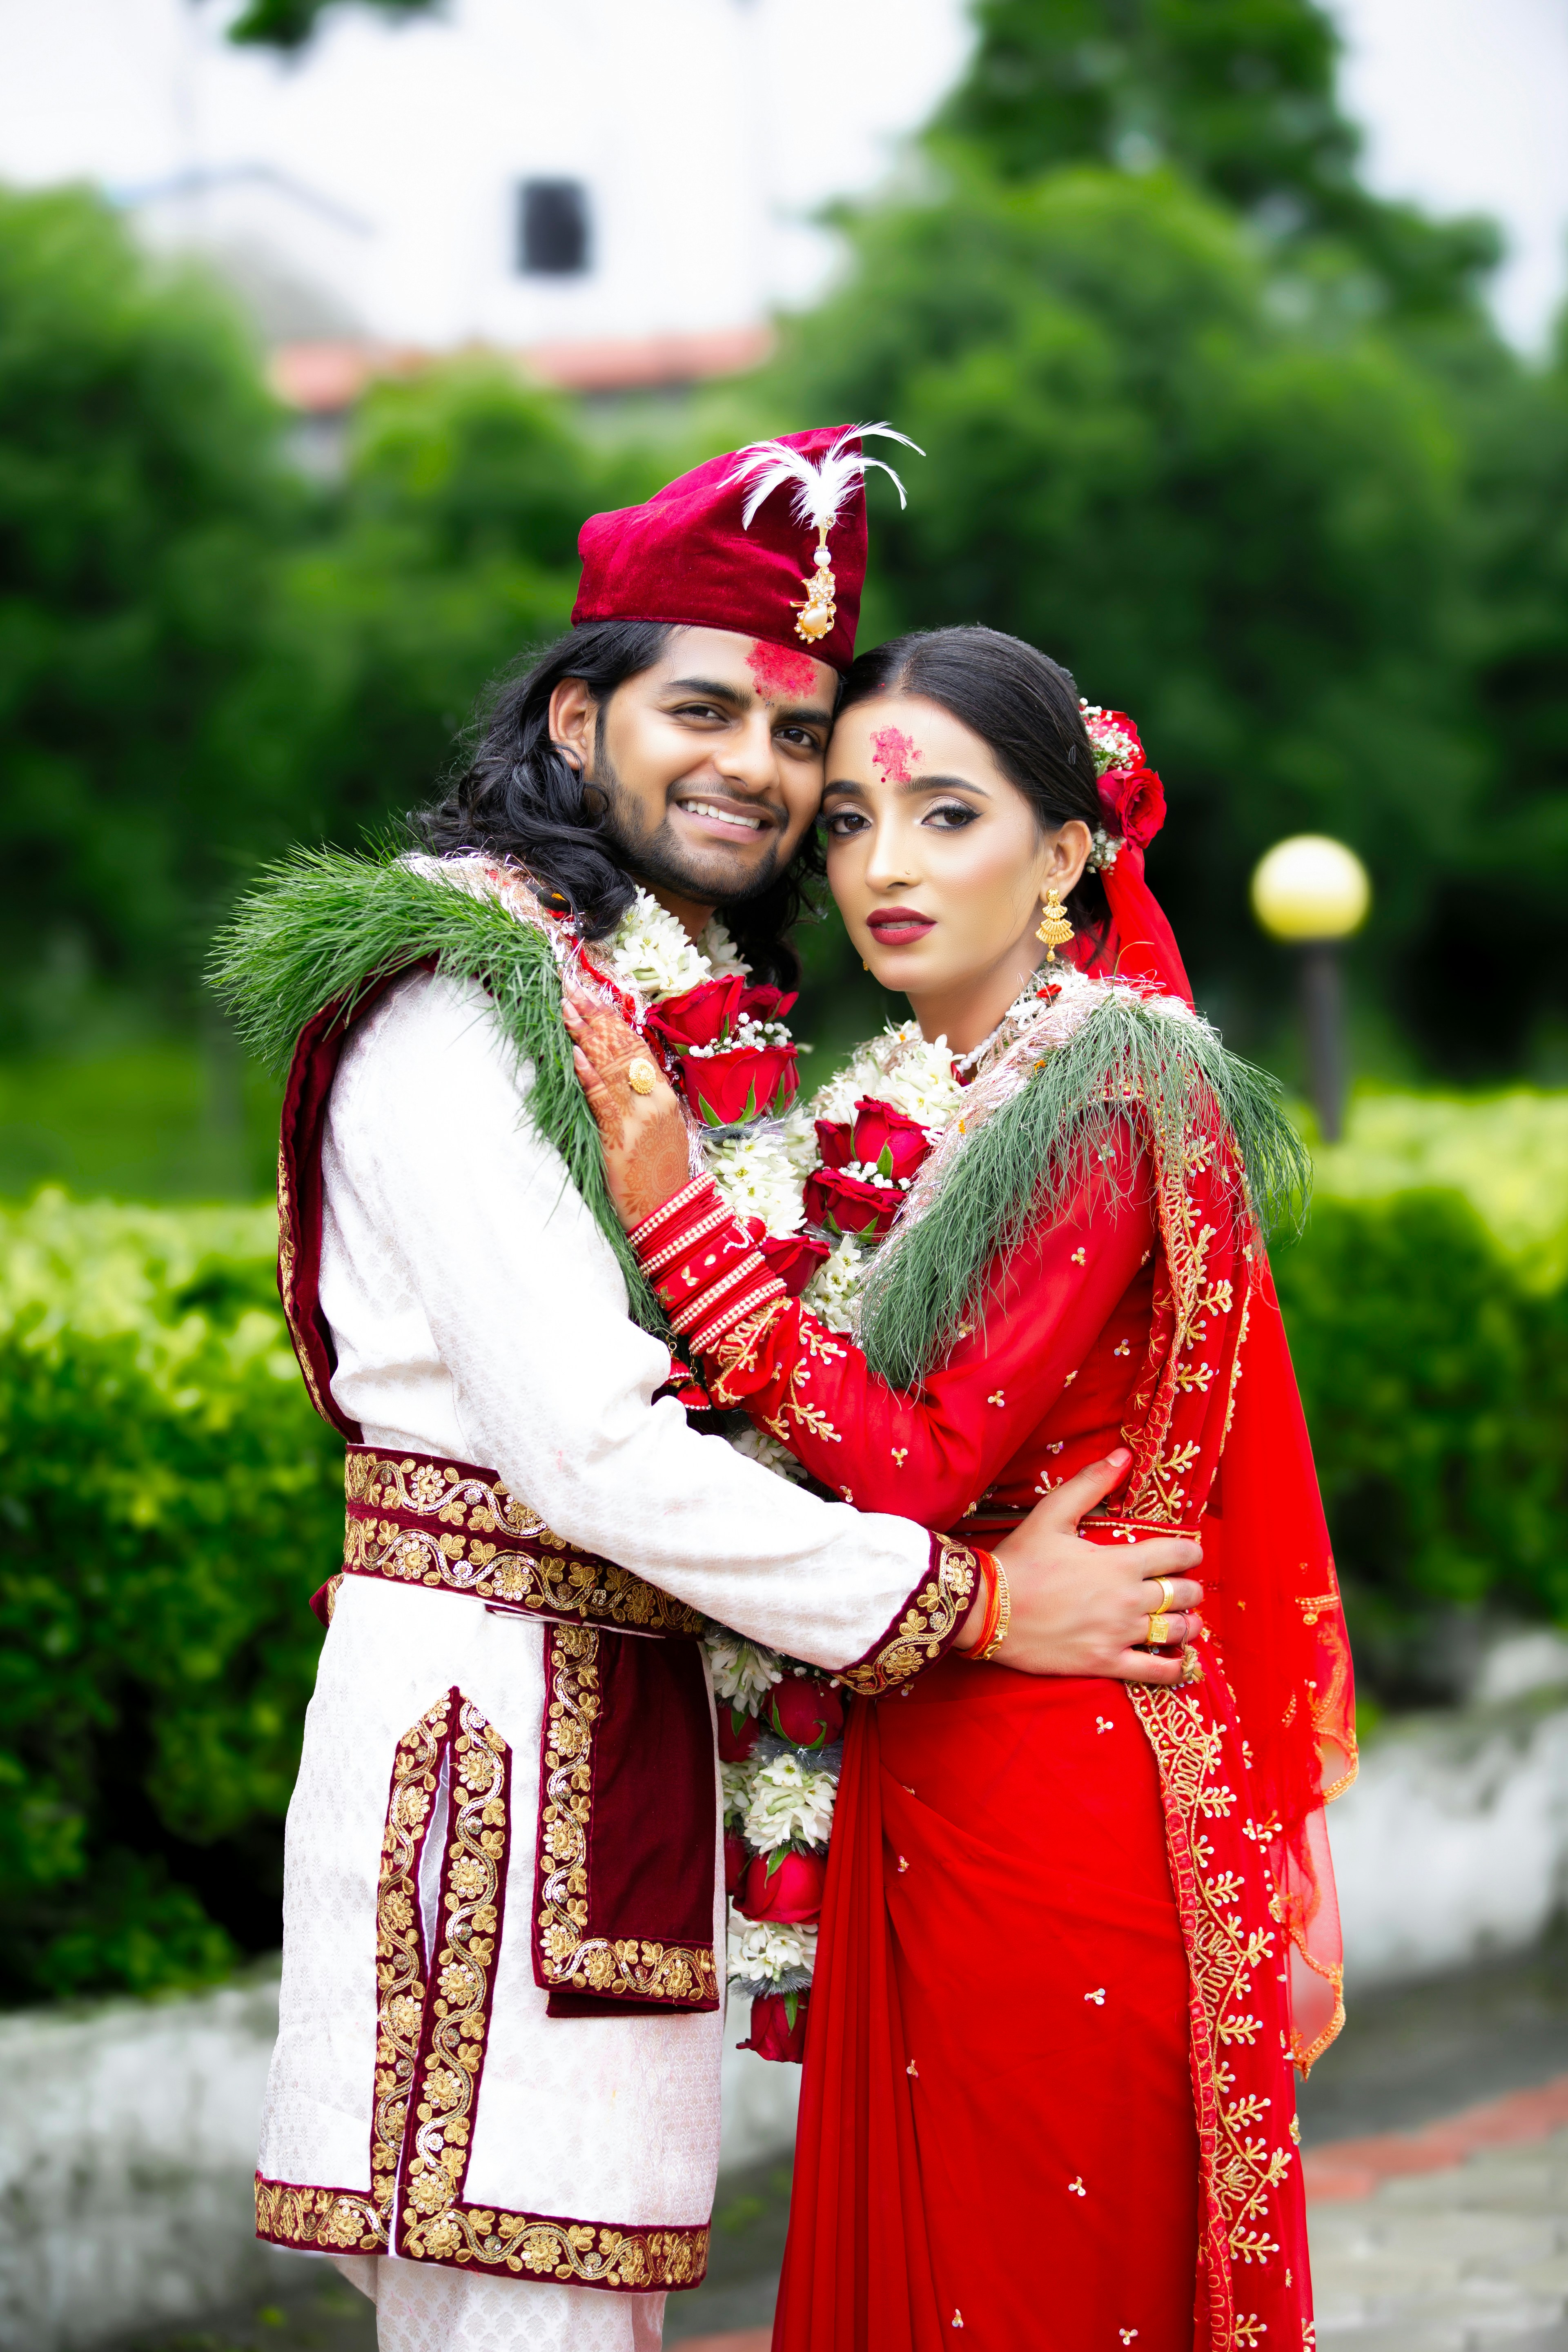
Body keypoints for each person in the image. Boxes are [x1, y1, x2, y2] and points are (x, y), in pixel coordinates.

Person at [213, 440, 1209, 2352]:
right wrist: (981, 1608)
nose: (758, 761)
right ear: (578, 721)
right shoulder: (461, 987)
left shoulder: (645, 1000)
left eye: (797, 727)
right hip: (490, 1766)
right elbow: (591, 1448)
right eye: (704, 706)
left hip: (623, 1738)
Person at [569, 624, 1357, 2352]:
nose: (884, 865)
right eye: (849, 821)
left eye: (946, 814)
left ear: (1070, 852)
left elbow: (920, 1455)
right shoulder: (918, 1098)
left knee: (1033, 2287)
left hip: (1054, 1777)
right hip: (933, 1737)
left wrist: (680, 1226)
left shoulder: (1110, 1082)